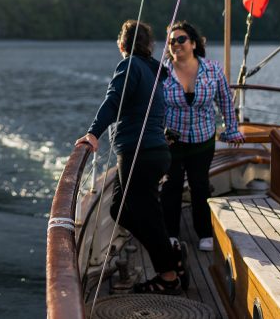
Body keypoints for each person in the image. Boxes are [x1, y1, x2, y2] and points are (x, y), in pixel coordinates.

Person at [76, 19, 183, 295]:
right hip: (154, 151)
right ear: (150, 46)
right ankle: (170, 254)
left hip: (139, 152)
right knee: (118, 210)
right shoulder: (152, 71)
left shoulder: (130, 65)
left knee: (147, 216)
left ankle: (168, 277)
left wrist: (93, 133)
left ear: (121, 45)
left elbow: (114, 100)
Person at [160, 20, 244, 253]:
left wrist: (232, 129)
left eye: (181, 39)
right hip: (172, 141)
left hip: (202, 140)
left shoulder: (213, 70)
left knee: (200, 186)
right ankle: (171, 234)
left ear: (193, 43)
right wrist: (157, 134)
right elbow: (154, 107)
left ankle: (205, 233)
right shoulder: (162, 72)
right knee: (171, 186)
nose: (175, 44)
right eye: (171, 41)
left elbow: (225, 100)